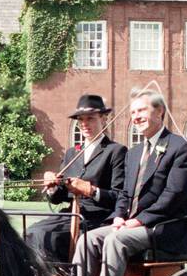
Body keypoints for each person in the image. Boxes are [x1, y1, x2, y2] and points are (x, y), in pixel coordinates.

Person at [71, 87, 187, 276]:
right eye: (132, 113)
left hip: (163, 228)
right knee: (87, 240)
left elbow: (173, 196)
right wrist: (119, 217)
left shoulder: (181, 148)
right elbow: (124, 194)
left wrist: (139, 220)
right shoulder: (134, 153)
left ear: (159, 112)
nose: (136, 117)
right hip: (130, 225)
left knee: (115, 240)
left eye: (141, 111)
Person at [25, 94, 127, 260]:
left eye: (90, 119)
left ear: (103, 118)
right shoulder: (72, 152)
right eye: (81, 120)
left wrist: (91, 191)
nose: (84, 124)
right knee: (29, 233)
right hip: (70, 215)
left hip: (97, 219)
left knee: (44, 235)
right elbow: (58, 198)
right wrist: (52, 187)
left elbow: (119, 196)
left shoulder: (116, 151)